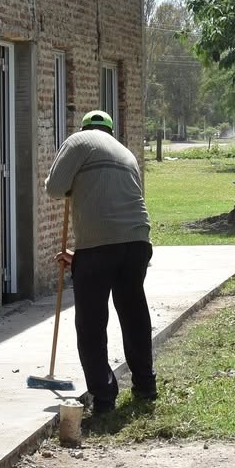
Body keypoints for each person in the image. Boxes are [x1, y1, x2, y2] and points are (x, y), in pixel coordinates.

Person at [44, 110, 154, 416]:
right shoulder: (126, 154)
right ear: (110, 131)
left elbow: (55, 188)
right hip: (137, 242)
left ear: (85, 128)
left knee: (91, 322)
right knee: (133, 313)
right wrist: (82, 256)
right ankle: (146, 386)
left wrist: (88, 255)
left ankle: (104, 398)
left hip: (99, 246)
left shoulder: (77, 141)